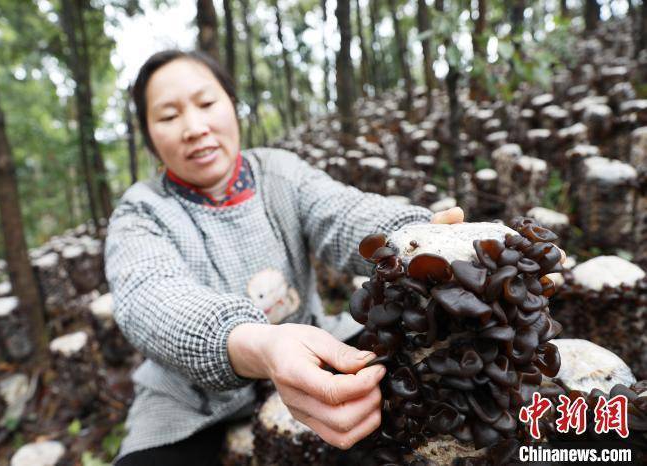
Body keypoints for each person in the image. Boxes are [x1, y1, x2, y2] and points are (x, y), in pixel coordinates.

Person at [105, 49, 465, 465]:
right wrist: (258, 345)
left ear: (232, 105)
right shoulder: (140, 211)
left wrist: (417, 237)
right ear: (150, 137)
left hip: (313, 346)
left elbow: (344, 214)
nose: (194, 127)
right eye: (168, 116)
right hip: (186, 402)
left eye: (207, 103)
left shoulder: (280, 173)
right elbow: (150, 297)